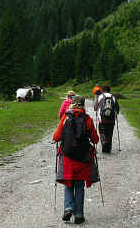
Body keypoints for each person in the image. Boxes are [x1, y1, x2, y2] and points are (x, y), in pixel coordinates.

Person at [53, 95, 99, 224]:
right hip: (82, 159)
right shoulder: (88, 119)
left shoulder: (65, 118)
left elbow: (56, 137)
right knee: (79, 186)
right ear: (83, 105)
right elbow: (95, 139)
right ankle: (79, 215)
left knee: (68, 184)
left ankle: (68, 208)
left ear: (72, 104)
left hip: (67, 158)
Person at [93, 84, 119, 153]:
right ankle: (108, 149)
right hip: (111, 120)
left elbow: (95, 108)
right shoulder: (113, 97)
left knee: (102, 132)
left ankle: (103, 142)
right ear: (109, 90)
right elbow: (117, 109)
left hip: (102, 119)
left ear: (102, 90)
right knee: (110, 134)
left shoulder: (100, 96)